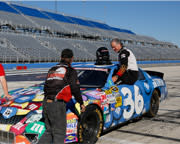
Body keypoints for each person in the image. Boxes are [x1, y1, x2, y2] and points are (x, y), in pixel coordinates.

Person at [38, 49, 85, 144]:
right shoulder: (70, 71)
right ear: (72, 59)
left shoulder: (52, 69)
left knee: (49, 131)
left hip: (46, 102)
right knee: (59, 133)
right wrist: (81, 103)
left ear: (61, 57)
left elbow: (46, 87)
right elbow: (75, 88)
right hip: (57, 104)